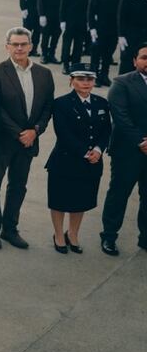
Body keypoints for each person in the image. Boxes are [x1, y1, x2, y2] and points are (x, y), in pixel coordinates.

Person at [0, 27, 55, 250]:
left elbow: (47, 107)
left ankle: (10, 228)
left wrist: (36, 130)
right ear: (7, 47)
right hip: (2, 140)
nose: (20, 48)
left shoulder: (44, 74)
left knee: (18, 186)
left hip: (29, 141)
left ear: (31, 46)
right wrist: (18, 133)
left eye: (24, 44)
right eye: (15, 44)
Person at [45, 65, 110, 254]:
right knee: (59, 200)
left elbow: (106, 130)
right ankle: (58, 234)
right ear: (71, 81)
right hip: (65, 160)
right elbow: (63, 133)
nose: (86, 83)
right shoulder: (61, 103)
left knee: (81, 200)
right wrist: (85, 152)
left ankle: (73, 234)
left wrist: (98, 150)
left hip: (92, 162)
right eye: (81, 79)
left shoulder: (101, 103)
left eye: (89, 79)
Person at [100, 42, 147, 256]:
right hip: (128, 151)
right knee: (119, 194)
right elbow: (120, 116)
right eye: (144, 57)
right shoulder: (122, 83)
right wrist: (141, 141)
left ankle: (145, 238)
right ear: (134, 60)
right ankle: (109, 236)